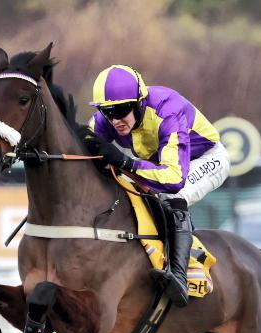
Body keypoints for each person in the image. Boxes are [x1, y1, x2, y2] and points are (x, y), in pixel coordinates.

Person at [83, 65, 231, 307]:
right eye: (106, 112)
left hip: (204, 160)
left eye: (121, 110)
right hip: (160, 165)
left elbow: (173, 178)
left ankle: (180, 277)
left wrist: (126, 162)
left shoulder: (168, 110)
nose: (115, 120)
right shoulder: (108, 119)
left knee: (172, 196)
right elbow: (81, 146)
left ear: (139, 102)